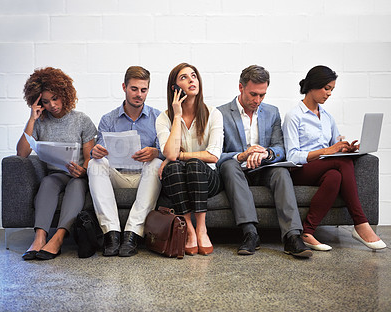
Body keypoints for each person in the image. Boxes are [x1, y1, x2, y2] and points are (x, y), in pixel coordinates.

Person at [282, 65, 386, 251]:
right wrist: (328, 151)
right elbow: (292, 155)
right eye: (326, 88)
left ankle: (307, 232)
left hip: (325, 168)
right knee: (340, 163)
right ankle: (360, 222)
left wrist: (346, 149)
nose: (329, 93)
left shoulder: (327, 117)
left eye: (332, 89)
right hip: (300, 170)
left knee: (335, 176)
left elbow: (334, 147)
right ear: (312, 86)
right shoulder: (294, 116)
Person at [217, 65, 312, 258]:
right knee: (228, 164)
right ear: (240, 87)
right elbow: (216, 154)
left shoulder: (272, 112)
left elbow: (280, 148)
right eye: (253, 94)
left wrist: (266, 154)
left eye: (262, 95)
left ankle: (292, 236)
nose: (257, 100)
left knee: (281, 172)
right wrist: (243, 155)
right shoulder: (221, 113)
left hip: (264, 168)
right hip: (237, 169)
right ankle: (250, 233)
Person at [17, 67, 97, 260]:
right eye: (45, 101)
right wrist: (32, 119)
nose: (52, 105)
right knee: (47, 183)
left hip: (77, 174)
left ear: (64, 94)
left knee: (76, 186)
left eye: (55, 98)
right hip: (56, 174)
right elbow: (22, 153)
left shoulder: (81, 120)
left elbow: (90, 156)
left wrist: (83, 170)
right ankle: (39, 237)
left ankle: (59, 238)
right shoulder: (40, 121)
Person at [87, 66, 162, 257]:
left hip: (145, 176)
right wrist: (96, 152)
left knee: (156, 163)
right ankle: (111, 233)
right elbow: (100, 152)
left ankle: (132, 234)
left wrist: (156, 152)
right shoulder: (108, 119)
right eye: (134, 89)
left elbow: (167, 151)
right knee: (94, 164)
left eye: (143, 90)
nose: (139, 94)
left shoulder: (159, 117)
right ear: (124, 87)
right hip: (117, 174)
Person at [156, 63, 223, 256]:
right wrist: (177, 116)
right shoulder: (164, 118)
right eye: (183, 77)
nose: (191, 80)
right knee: (174, 167)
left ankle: (202, 229)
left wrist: (180, 156)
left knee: (193, 164)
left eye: (193, 76)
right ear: (174, 88)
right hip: (179, 179)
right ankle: (189, 230)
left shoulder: (213, 114)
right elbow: (170, 154)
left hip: (207, 179)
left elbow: (213, 155)